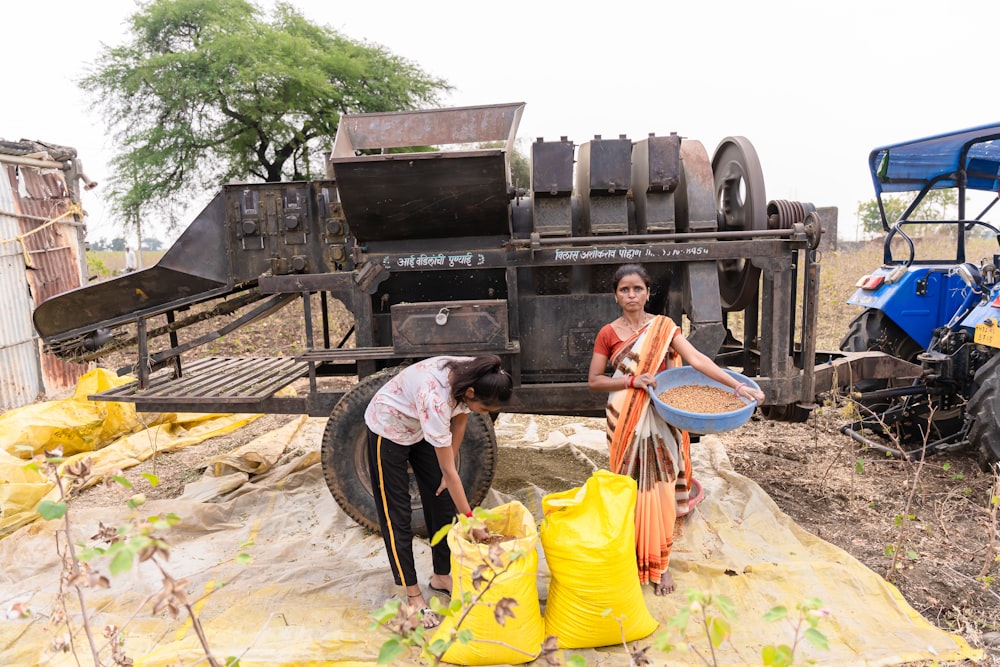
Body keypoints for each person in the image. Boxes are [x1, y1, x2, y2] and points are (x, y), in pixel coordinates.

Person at [588, 264, 765, 596]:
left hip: (660, 414)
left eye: (637, 289)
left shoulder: (664, 328)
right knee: (630, 488)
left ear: (647, 292)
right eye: (624, 289)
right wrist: (631, 380)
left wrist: (738, 388)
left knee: (661, 485)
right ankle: (629, 556)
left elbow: (698, 361)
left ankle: (661, 563)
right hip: (624, 416)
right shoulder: (608, 333)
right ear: (616, 295)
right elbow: (594, 380)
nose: (631, 295)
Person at [365, 354, 513, 628]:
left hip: (420, 426)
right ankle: (413, 596)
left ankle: (441, 576)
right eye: (484, 407)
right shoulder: (435, 396)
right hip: (389, 426)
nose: (485, 413)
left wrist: (449, 467)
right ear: (470, 393)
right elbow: (449, 469)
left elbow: (460, 418)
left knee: (442, 499)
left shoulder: (476, 375)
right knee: (397, 514)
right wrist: (471, 520)